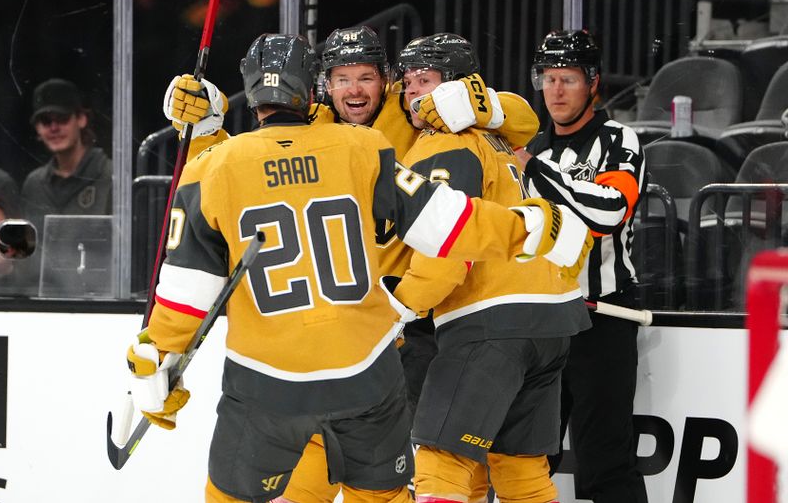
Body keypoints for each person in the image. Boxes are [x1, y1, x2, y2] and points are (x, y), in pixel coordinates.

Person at [127, 32, 589, 503]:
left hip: (383, 331)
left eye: (367, 77)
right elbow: (447, 223)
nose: (354, 90)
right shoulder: (350, 142)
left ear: (387, 80)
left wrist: (483, 103)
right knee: (373, 473)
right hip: (368, 341)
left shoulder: (417, 112)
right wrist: (529, 229)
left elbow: (523, 120)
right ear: (318, 88)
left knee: (424, 467)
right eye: (342, 78)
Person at [386, 32, 592, 503]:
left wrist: (396, 310)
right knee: (521, 470)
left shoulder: (446, 144)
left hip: (490, 320)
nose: (415, 92)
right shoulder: (496, 140)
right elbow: (519, 116)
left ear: (457, 86)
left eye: (428, 81)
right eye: (410, 82)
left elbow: (449, 245)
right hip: (550, 317)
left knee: (442, 460)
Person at [515, 29, 648, 503]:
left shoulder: (619, 140)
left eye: (567, 79)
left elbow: (607, 213)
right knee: (526, 457)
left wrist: (534, 170)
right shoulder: (533, 146)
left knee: (605, 461)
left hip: (602, 318)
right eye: (548, 79)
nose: (555, 91)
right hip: (543, 321)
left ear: (593, 82)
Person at [21, 78, 113, 232]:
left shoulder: (111, 175)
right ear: (37, 128)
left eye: (62, 118)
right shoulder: (33, 184)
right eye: (45, 121)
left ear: (81, 119)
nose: (54, 128)